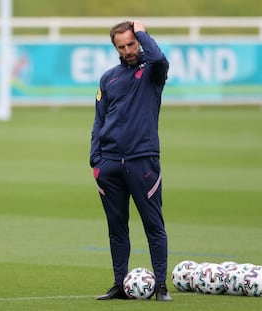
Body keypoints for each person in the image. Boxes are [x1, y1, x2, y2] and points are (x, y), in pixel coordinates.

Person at [89, 20, 172, 301]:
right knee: (116, 228)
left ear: (138, 40)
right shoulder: (108, 78)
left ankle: (160, 286)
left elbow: (158, 57)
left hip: (143, 161)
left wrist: (142, 32)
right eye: (122, 46)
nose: (128, 50)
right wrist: (95, 162)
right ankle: (119, 284)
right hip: (109, 165)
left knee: (153, 226)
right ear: (116, 48)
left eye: (132, 43)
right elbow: (99, 120)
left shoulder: (153, 72)